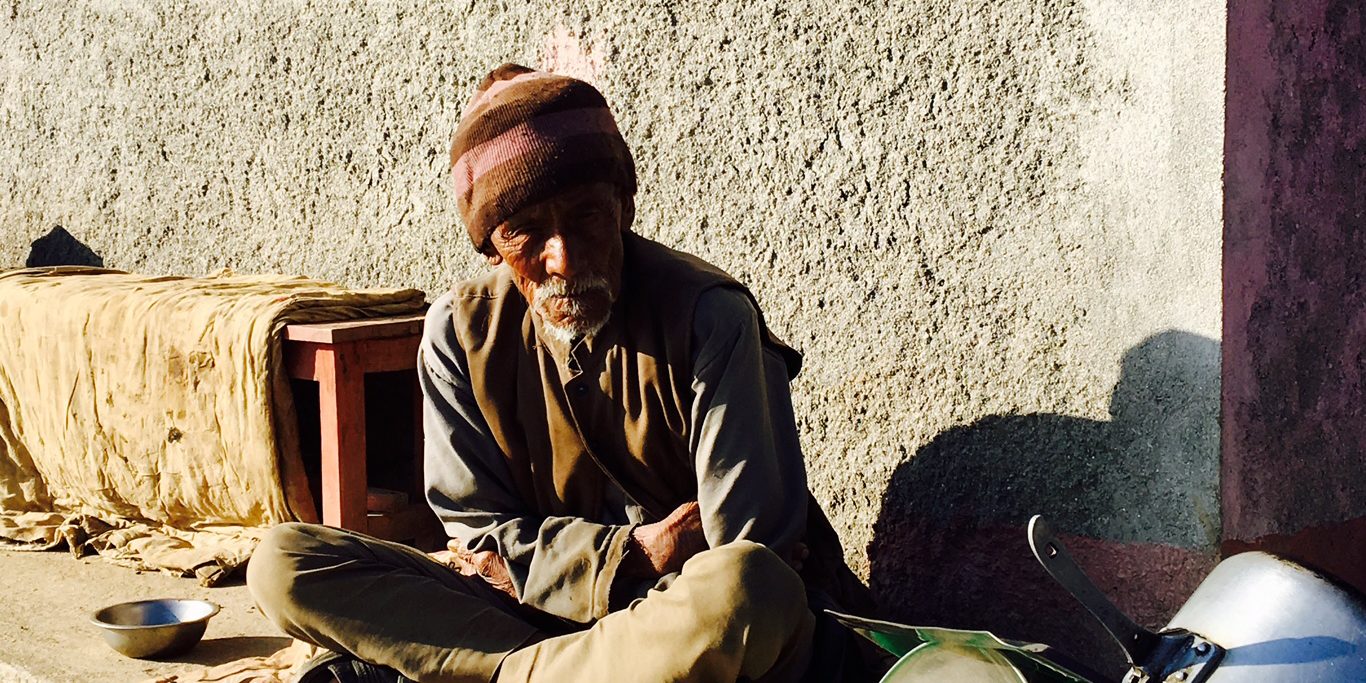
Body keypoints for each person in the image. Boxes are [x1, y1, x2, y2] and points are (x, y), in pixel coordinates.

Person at [247, 64, 875, 683]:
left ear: (623, 206)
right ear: (492, 243)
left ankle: (498, 674)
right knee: (284, 564)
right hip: (546, 621)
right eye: (525, 232)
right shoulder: (459, 334)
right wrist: (632, 554)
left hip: (680, 624)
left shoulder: (709, 317)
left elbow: (747, 546)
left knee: (742, 589)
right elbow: (481, 536)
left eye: (586, 217)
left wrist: (550, 568)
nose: (563, 258)